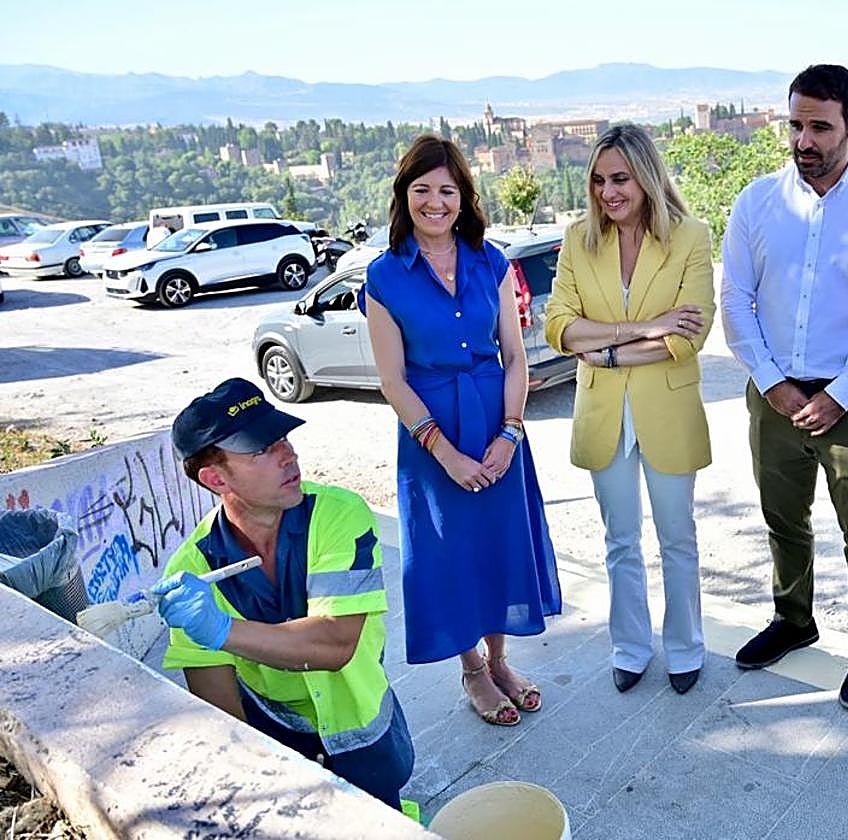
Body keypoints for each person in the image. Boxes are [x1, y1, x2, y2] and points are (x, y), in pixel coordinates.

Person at [720, 64, 848, 711]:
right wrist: (773, 384)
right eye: (796, 125)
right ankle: (793, 618)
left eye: (820, 127)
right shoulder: (755, 202)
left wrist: (841, 391)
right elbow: (736, 299)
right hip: (773, 396)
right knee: (783, 518)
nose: (803, 140)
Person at [362, 135, 560, 727]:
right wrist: (444, 453)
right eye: (422, 189)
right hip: (431, 438)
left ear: (463, 196)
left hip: (498, 424)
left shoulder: (492, 261)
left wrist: (510, 434)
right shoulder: (382, 276)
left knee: (499, 544)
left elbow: (516, 356)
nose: (435, 202)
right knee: (450, 551)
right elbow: (392, 379)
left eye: (447, 190)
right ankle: (472, 669)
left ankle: (500, 660)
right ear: (404, 196)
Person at [153, 377, 415, 809]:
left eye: (282, 437)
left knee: (386, 812)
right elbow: (221, 710)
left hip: (365, 721)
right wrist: (257, 783)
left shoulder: (338, 514)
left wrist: (221, 630)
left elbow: (335, 642)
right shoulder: (191, 570)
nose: (288, 453)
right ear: (215, 478)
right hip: (277, 737)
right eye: (261, 448)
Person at [545, 124, 715, 695]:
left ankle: (686, 647)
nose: (608, 192)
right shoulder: (577, 240)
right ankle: (630, 647)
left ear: (646, 176)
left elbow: (687, 336)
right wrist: (643, 328)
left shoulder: (691, 237)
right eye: (598, 180)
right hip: (604, 418)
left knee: (677, 538)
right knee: (620, 540)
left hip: (667, 413)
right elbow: (558, 328)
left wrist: (606, 350)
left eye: (619, 178)